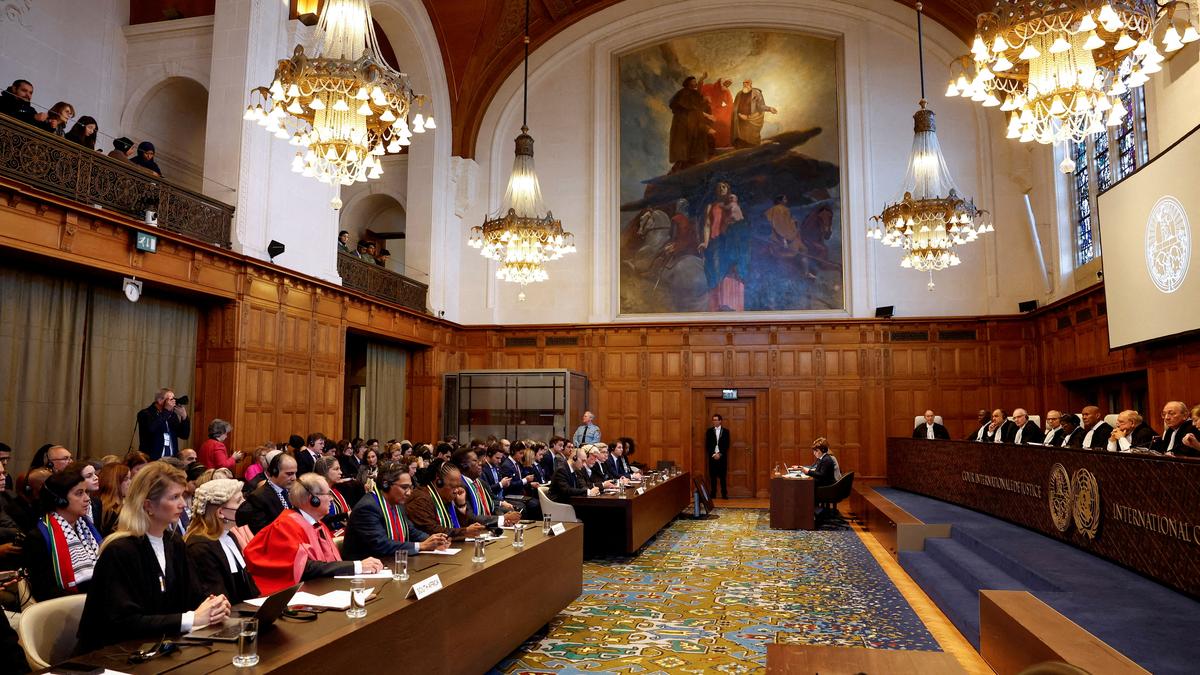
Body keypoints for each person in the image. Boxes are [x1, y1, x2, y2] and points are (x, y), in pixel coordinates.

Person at [77, 462, 231, 652]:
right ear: (148, 505)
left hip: (160, 647)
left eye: (182, 495)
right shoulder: (119, 551)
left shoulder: (174, 543)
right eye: (174, 497)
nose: (183, 504)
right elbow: (123, 622)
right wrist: (191, 618)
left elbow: (194, 595)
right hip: (113, 655)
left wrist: (214, 606)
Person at [243, 474, 383, 595]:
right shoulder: (285, 526)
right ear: (313, 499)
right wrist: (356, 566)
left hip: (322, 588)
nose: (332, 499)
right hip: (291, 595)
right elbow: (306, 568)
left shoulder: (317, 523)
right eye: (328, 494)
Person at [342, 463, 450, 560]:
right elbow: (381, 544)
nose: (409, 493)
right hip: (365, 569)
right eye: (404, 487)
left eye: (410, 487)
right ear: (386, 485)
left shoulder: (397, 504)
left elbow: (411, 531)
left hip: (389, 563)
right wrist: (421, 546)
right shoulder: (367, 508)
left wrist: (435, 540)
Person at [25, 469, 103, 600]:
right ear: (60, 500)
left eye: (86, 492)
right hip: (68, 604)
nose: (87, 498)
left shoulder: (88, 527)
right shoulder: (38, 537)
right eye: (79, 493)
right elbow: (43, 591)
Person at [184, 478, 258, 604]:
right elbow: (216, 596)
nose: (245, 503)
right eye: (239, 501)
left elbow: (246, 585)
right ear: (220, 512)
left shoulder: (230, 536)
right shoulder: (200, 547)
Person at [403, 462, 488, 540]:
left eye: (458, 486)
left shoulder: (445, 497)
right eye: (453, 486)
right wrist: (465, 531)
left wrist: (461, 505)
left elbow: (462, 525)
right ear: (439, 482)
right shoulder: (421, 499)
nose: (456, 491)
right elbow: (432, 530)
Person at [236, 450, 296, 534]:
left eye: (295, 473)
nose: (294, 478)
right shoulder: (258, 498)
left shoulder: (292, 491)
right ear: (275, 471)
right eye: (289, 474)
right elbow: (263, 533)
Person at [667, 75, 713, 173]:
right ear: (688, 83)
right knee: (684, 143)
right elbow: (681, 105)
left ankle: (693, 160)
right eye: (693, 82)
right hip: (683, 122)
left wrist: (701, 81)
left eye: (695, 82)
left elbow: (698, 102)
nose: (695, 83)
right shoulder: (683, 93)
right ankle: (682, 163)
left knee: (695, 140)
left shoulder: (694, 93)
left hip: (693, 121)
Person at [137, 388, 191, 459]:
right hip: (152, 459)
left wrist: (184, 417)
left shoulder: (172, 415)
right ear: (160, 400)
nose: (173, 402)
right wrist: (166, 411)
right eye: (170, 400)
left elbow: (184, 435)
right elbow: (151, 428)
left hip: (172, 459)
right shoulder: (145, 413)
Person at [731, 79, 777, 148]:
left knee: (751, 139)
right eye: (744, 83)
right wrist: (739, 115)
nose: (745, 84)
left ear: (750, 84)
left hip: (751, 119)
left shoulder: (756, 93)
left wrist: (769, 109)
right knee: (741, 138)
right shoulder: (739, 94)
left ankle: (753, 149)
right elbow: (735, 106)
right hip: (740, 120)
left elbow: (761, 106)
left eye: (747, 83)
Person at [96, 463, 131, 536]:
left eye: (130, 478)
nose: (130, 482)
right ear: (114, 481)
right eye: (126, 479)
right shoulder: (105, 509)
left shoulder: (125, 505)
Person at [706, 414, 730, 499]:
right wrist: (713, 454)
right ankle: (713, 494)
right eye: (713, 420)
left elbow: (727, 445)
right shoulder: (709, 431)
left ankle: (724, 494)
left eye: (716, 420)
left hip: (722, 457)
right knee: (713, 476)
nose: (714, 421)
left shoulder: (726, 431)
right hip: (712, 457)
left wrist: (719, 454)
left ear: (720, 421)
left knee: (723, 476)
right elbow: (707, 445)